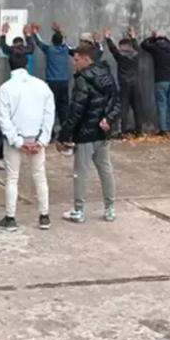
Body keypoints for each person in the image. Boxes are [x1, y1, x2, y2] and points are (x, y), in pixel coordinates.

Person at [57, 43, 120, 224]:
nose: (74, 63)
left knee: (81, 172)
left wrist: (64, 135)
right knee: (105, 170)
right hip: (103, 131)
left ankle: (78, 210)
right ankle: (110, 208)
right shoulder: (107, 75)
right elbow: (116, 102)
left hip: (86, 132)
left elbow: (76, 110)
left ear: (86, 59)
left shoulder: (82, 80)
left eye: (76, 60)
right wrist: (108, 119)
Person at [0, 51, 55, 232]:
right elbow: (49, 115)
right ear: (28, 64)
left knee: (12, 178)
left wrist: (18, 141)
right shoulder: (42, 86)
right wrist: (42, 139)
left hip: (15, 140)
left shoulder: (5, 88)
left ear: (9, 65)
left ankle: (10, 217)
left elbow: (3, 119)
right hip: (37, 139)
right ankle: (44, 216)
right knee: (40, 176)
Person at [32, 23, 71, 130]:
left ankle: (50, 131)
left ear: (52, 41)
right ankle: (65, 130)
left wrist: (35, 32)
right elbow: (65, 41)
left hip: (52, 82)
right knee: (64, 107)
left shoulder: (49, 50)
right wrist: (59, 31)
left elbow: (39, 42)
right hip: (64, 82)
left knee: (51, 107)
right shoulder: (65, 50)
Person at [105, 27, 142, 136]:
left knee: (124, 108)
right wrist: (133, 37)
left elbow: (113, 49)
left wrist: (108, 38)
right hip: (135, 83)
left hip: (124, 84)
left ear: (122, 46)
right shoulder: (136, 55)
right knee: (137, 108)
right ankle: (138, 131)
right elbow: (137, 47)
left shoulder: (120, 56)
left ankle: (123, 131)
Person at [141, 31, 170, 136]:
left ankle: (164, 129)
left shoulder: (155, 48)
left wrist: (153, 37)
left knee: (162, 106)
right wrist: (164, 36)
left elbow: (143, 44)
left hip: (161, 80)